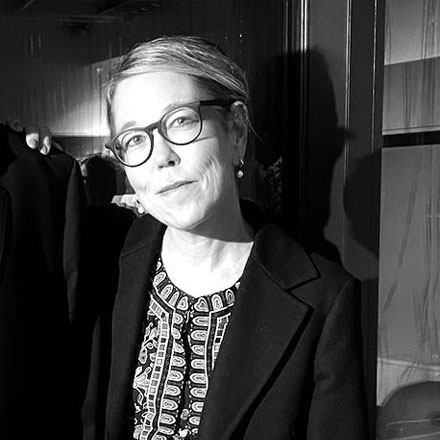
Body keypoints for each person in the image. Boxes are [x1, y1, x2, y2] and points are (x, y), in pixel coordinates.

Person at [29, 36, 368, 440]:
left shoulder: (324, 299)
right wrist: (22, 154)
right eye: (134, 139)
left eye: (181, 121)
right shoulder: (103, 258)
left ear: (236, 129)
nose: (161, 156)